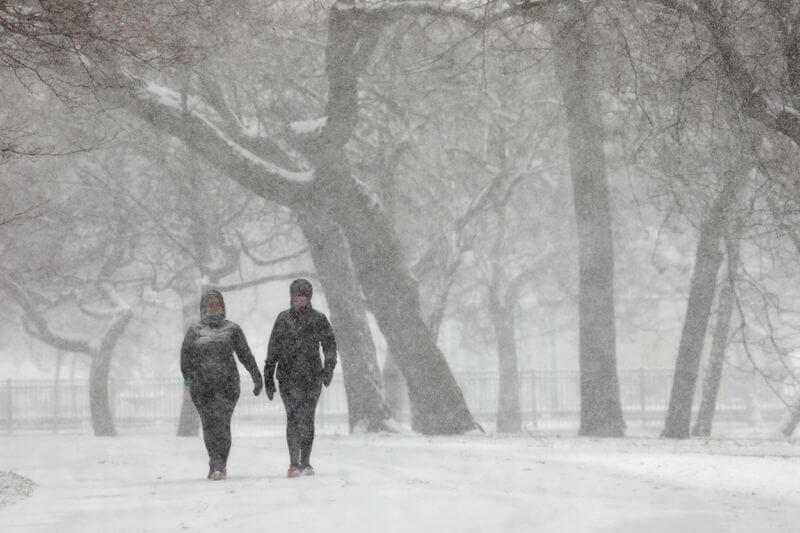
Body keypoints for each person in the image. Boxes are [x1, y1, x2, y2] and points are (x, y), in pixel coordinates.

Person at [181, 288, 263, 480]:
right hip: (202, 388)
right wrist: (189, 379)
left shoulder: (232, 329)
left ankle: (220, 464)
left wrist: (256, 376)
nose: (214, 308)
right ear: (203, 308)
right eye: (210, 305)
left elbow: (245, 355)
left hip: (228, 386)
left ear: (223, 306)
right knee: (209, 425)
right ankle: (214, 461)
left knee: (223, 424)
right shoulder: (194, 331)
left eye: (217, 304)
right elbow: (185, 358)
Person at [264, 278, 337, 478]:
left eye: (303, 296)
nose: (299, 299)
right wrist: (268, 377)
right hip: (287, 377)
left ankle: (306, 462)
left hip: (312, 376)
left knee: (308, 418)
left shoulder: (318, 319)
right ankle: (293, 463)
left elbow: (330, 345)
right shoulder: (283, 319)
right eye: (296, 295)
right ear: (291, 297)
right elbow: (273, 349)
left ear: (309, 297)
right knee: (293, 417)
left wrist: (328, 368)